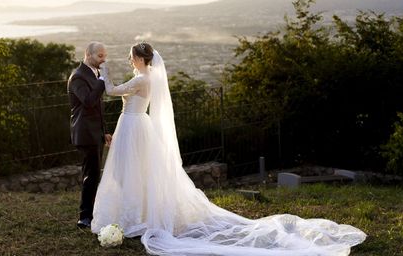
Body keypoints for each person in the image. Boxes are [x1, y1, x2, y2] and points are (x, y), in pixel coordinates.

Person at [91, 42, 366, 255]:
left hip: (134, 127)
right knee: (137, 173)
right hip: (134, 126)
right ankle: (135, 211)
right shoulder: (145, 77)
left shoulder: (142, 79)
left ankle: (134, 215)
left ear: (141, 59)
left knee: (134, 171)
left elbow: (112, 90)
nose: (130, 60)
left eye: (131, 56)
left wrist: (104, 73)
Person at [68, 41, 112, 229]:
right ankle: (84, 217)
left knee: (94, 173)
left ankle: (92, 213)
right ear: (88, 54)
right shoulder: (78, 77)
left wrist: (105, 131)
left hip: (95, 133)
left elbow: (98, 109)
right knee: (90, 175)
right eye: (100, 56)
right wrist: (102, 81)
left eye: (105, 56)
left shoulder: (94, 74)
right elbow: (88, 101)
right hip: (85, 133)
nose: (103, 59)